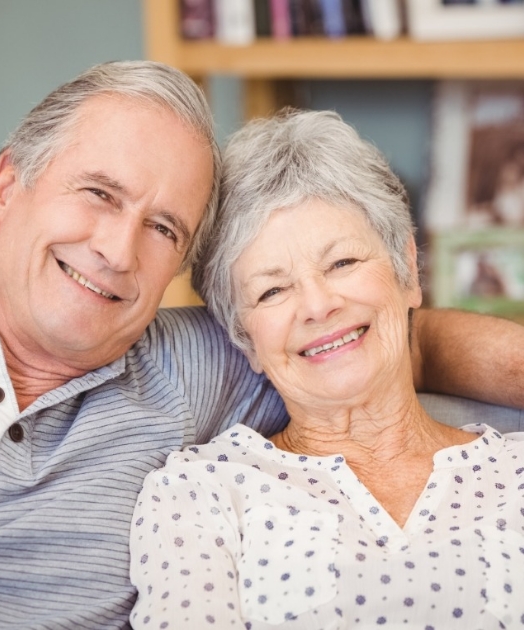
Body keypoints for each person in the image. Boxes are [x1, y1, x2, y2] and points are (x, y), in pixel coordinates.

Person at [0, 64, 523, 630]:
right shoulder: (208, 484)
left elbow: (384, 346)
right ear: (6, 188)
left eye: (164, 228)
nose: (116, 250)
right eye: (99, 193)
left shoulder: (181, 364)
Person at [129, 109, 524, 629]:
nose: (317, 306)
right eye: (272, 290)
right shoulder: (200, 492)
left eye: (342, 263)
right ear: (243, 338)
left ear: (407, 270)